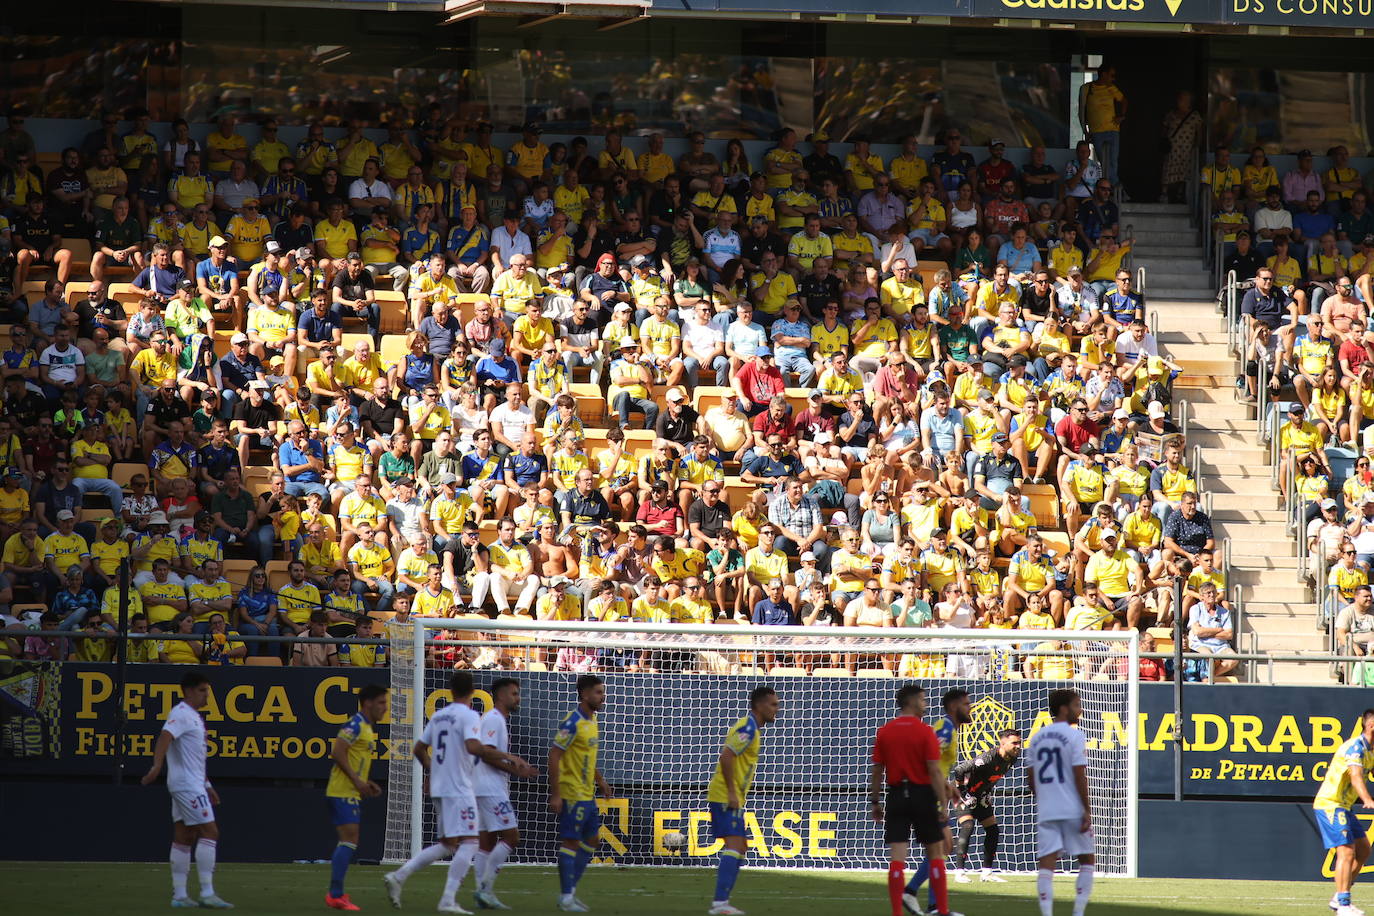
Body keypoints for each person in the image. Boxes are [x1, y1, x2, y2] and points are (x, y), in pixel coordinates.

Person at [384, 671, 510, 914]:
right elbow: (473, 746)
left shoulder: (440, 716)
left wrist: (432, 770)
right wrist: (504, 755)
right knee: (471, 843)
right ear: (472, 692)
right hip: (459, 787)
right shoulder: (470, 715)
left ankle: (399, 876)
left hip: (441, 787)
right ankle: (448, 899)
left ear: (451, 691)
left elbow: (419, 748)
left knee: (448, 844)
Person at [140, 671, 233, 909]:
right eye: (203, 691)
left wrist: (208, 785)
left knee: (184, 836)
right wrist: (157, 765)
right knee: (210, 832)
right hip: (186, 786)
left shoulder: (193, 717)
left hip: (191, 783)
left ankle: (180, 896)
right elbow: (164, 737)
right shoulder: (180, 714)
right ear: (190, 691)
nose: (207, 696)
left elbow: (194, 758)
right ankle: (207, 892)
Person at [870, 683, 952, 916]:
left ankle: (897, 912)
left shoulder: (885, 731)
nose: (925, 705)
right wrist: (942, 805)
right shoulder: (925, 731)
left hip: (896, 795)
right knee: (936, 853)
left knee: (897, 857)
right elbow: (934, 771)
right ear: (911, 701)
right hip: (922, 794)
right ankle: (942, 910)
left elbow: (877, 770)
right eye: (923, 700)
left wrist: (875, 802)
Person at [705, 685, 781, 916]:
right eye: (773, 704)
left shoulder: (752, 729)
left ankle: (722, 902)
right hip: (725, 795)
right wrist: (731, 792)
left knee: (741, 846)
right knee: (736, 845)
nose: (776, 709)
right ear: (759, 705)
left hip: (731, 795)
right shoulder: (747, 727)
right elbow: (727, 756)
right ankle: (720, 904)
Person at [473, 677, 540, 911]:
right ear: (500, 696)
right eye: (513, 694)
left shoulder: (494, 719)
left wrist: (516, 771)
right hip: (490, 788)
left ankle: (484, 893)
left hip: (481, 786)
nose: (517, 698)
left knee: (487, 842)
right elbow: (488, 754)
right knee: (512, 838)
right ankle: (484, 889)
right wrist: (514, 762)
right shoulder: (494, 720)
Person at [548, 673, 613, 913]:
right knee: (571, 842)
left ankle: (569, 892)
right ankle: (567, 897)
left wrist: (601, 781)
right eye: (598, 692)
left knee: (593, 840)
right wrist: (556, 794)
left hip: (588, 794)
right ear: (584, 694)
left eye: (602, 692)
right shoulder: (572, 722)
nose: (602, 696)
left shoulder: (592, 720)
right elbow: (554, 755)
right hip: (571, 792)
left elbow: (587, 757)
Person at [1030, 688, 1095, 916]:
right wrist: (1086, 809)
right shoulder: (1074, 735)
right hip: (1072, 808)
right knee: (1087, 860)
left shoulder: (1036, 738)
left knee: (1046, 865)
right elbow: (1079, 775)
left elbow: (1031, 780)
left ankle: (1047, 913)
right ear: (1065, 709)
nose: (1081, 710)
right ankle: (1077, 912)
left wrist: (1047, 800)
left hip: (1048, 809)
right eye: (1077, 705)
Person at [324, 682, 387, 912]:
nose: (385, 707)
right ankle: (336, 895)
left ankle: (336, 893)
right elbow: (337, 751)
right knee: (350, 840)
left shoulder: (367, 727)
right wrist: (357, 781)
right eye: (381, 702)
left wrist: (365, 782)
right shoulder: (356, 724)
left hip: (348, 790)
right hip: (342, 790)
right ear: (368, 703)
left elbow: (352, 759)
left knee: (350, 840)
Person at [1313, 708, 1374, 916]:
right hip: (1330, 803)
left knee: (1364, 850)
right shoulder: (1355, 748)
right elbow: (1356, 776)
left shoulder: (1371, 750)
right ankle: (1344, 904)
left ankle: (1339, 896)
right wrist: (1367, 799)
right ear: (1371, 726)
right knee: (1346, 851)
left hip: (1344, 807)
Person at [948, 728, 1023, 883]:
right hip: (960, 792)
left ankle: (987, 873)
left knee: (993, 830)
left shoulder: (1011, 759)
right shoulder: (988, 758)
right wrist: (964, 794)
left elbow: (991, 778)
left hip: (980, 794)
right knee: (968, 825)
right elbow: (959, 770)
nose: (1018, 746)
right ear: (1002, 743)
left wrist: (987, 793)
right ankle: (960, 873)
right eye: (1014, 743)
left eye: (1019, 743)